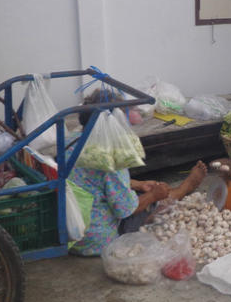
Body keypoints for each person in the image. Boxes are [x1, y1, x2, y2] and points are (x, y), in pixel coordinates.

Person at [67, 91, 207, 256]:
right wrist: (154, 196)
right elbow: (126, 210)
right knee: (157, 203)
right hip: (97, 241)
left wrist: (138, 184)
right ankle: (185, 188)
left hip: (71, 233)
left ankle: (156, 190)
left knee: (137, 191)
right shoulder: (109, 158)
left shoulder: (72, 141)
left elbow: (93, 180)